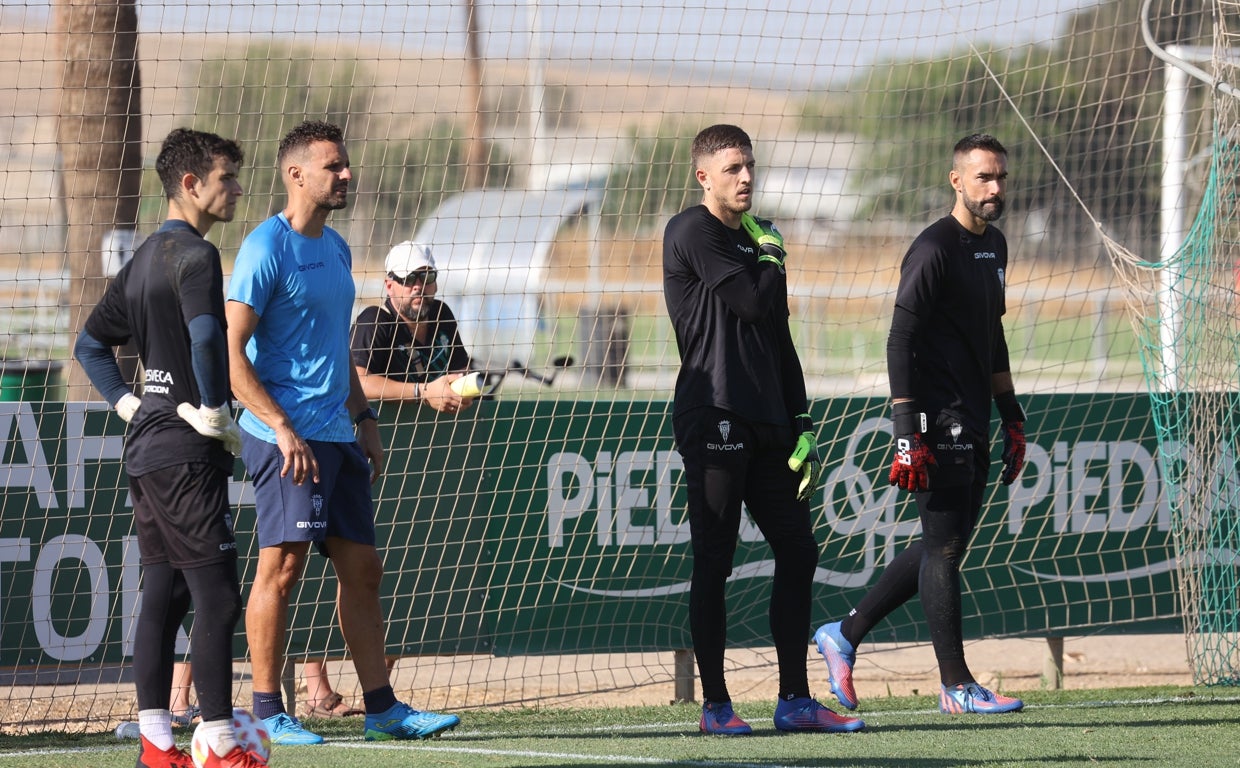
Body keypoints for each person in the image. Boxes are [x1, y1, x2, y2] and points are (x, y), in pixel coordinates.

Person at [225, 119, 460, 745]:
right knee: (283, 566)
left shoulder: (335, 248)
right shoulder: (263, 249)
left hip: (337, 431)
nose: (347, 174)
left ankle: (382, 709)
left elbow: (333, 348)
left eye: (346, 164)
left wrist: (364, 420)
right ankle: (268, 709)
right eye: (334, 166)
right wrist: (279, 427)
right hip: (283, 435)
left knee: (363, 568)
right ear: (296, 174)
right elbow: (231, 354)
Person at [813, 133, 1028, 716]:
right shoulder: (933, 248)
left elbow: (994, 335)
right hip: (937, 419)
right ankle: (956, 685)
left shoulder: (997, 246)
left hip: (976, 414)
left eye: (1001, 177)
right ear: (956, 180)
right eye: (984, 177)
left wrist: (1012, 416)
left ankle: (844, 634)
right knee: (943, 548)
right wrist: (907, 431)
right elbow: (899, 339)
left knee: (944, 547)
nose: (995, 188)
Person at [74, 128, 266, 768]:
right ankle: (217, 742)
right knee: (216, 596)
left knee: (165, 592)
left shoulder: (144, 259)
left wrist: (129, 403)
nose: (237, 188)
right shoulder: (195, 257)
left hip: (148, 448)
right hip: (186, 451)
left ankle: (157, 745)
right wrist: (215, 408)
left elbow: (89, 346)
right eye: (226, 177)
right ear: (191, 184)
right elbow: (209, 339)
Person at [662, 124, 862, 736]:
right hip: (714, 413)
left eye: (750, 165)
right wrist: (772, 254)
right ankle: (716, 707)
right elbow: (751, 303)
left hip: (771, 422)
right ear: (704, 176)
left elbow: (777, 332)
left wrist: (800, 418)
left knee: (799, 551)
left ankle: (795, 700)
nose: (746, 177)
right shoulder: (692, 230)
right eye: (732, 169)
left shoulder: (758, 240)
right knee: (714, 560)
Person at [349, 239, 476, 414]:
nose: (418, 286)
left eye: (426, 277)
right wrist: (422, 392)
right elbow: (357, 382)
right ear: (389, 286)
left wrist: (462, 391)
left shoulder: (441, 314)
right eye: (408, 279)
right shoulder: (374, 320)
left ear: (436, 284)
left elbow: (462, 369)